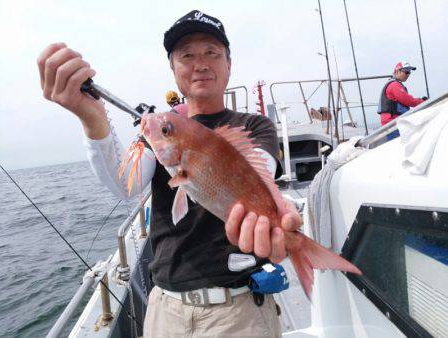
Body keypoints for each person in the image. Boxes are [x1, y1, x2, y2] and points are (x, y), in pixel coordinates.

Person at [37, 10, 302, 338]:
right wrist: (92, 119)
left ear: (229, 64)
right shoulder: (163, 129)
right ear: (174, 70)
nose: (200, 63)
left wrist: (277, 208)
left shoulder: (253, 126)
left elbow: (261, 175)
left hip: (240, 310)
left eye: (211, 53)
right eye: (187, 55)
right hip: (165, 310)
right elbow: (127, 185)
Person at [377, 61, 427, 140]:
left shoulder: (395, 84)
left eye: (409, 73)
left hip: (394, 122)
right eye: (406, 72)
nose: (408, 75)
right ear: (397, 71)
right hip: (392, 123)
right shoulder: (394, 85)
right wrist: (423, 102)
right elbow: (409, 101)